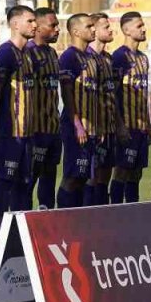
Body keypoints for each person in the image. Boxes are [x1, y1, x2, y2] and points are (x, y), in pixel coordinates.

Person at [0, 6, 39, 230]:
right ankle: (1, 231)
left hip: (27, 132)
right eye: (30, 21)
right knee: (5, 181)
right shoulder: (5, 52)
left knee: (25, 183)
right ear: (15, 24)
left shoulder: (28, 53)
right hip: (9, 132)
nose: (34, 25)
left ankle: (22, 232)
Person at [54, 14, 103, 208]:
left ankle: (78, 219)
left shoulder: (91, 57)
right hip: (76, 127)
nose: (93, 29)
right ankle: (63, 217)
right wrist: (77, 124)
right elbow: (67, 92)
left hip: (91, 127)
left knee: (84, 177)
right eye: (89, 26)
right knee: (73, 176)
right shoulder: (69, 57)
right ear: (75, 31)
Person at [110, 11, 151, 204]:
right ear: (126, 30)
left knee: (136, 172)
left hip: (141, 126)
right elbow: (113, 93)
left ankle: (134, 209)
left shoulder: (143, 58)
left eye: (143, 25)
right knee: (122, 170)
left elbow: (143, 94)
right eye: (139, 25)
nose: (144, 29)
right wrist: (119, 125)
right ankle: (117, 210)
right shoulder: (118, 57)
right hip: (126, 126)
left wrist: (149, 126)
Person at [26, 7, 62, 210]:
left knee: (49, 176)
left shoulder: (52, 53)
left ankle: (46, 218)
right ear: (38, 27)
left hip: (53, 127)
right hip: (35, 129)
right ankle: (22, 224)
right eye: (53, 25)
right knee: (30, 178)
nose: (57, 29)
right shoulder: (28, 53)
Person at [86, 12, 123, 205]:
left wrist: (118, 125)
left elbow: (112, 95)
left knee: (105, 173)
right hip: (93, 129)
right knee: (91, 175)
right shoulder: (86, 58)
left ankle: (102, 213)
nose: (111, 30)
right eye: (106, 27)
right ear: (94, 29)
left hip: (109, 128)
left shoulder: (109, 59)